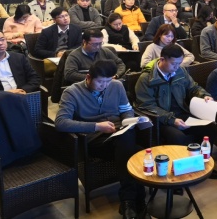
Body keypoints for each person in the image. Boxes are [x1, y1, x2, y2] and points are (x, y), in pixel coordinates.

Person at [55, 60, 148, 219]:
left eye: (108, 81)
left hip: (118, 133)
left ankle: (129, 202)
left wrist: (128, 121)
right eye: (100, 82)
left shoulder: (116, 85)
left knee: (128, 142)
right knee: (135, 152)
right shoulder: (72, 92)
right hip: (92, 140)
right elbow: (61, 122)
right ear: (88, 77)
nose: (104, 85)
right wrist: (97, 126)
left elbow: (126, 109)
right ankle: (139, 203)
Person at [135, 44, 217, 179]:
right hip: (161, 120)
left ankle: (201, 165)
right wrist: (171, 120)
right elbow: (147, 105)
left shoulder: (180, 71)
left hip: (181, 113)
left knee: (210, 128)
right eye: (174, 64)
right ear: (162, 59)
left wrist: (204, 95)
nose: (177, 67)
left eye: (179, 63)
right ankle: (177, 173)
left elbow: (193, 87)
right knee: (178, 137)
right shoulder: (147, 78)